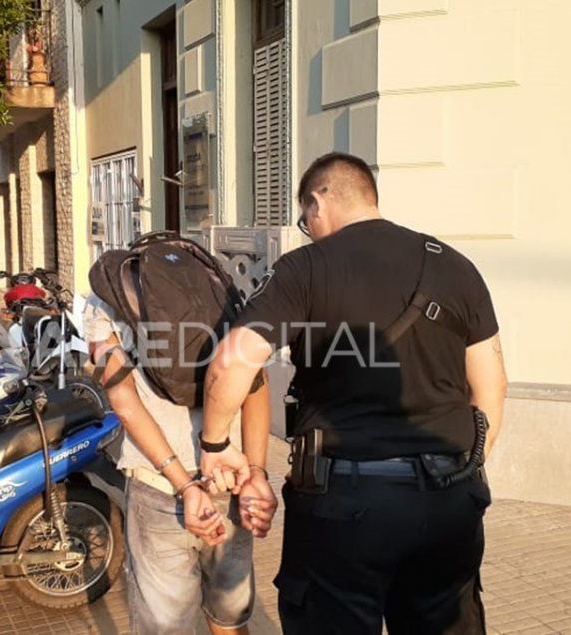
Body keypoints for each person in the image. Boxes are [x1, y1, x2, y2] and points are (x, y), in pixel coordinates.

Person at [197, 151, 508, 634]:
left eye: (305, 219)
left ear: (318, 203)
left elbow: (233, 362)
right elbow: (492, 388)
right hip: (448, 502)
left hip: (343, 505)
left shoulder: (304, 269)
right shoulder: (455, 268)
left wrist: (215, 444)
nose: (308, 228)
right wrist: (463, 473)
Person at [83, 292, 278, 635]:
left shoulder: (104, 297)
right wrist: (257, 473)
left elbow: (122, 400)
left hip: (159, 487)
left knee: (166, 629)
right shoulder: (221, 287)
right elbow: (256, 385)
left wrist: (185, 485)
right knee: (229, 620)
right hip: (229, 481)